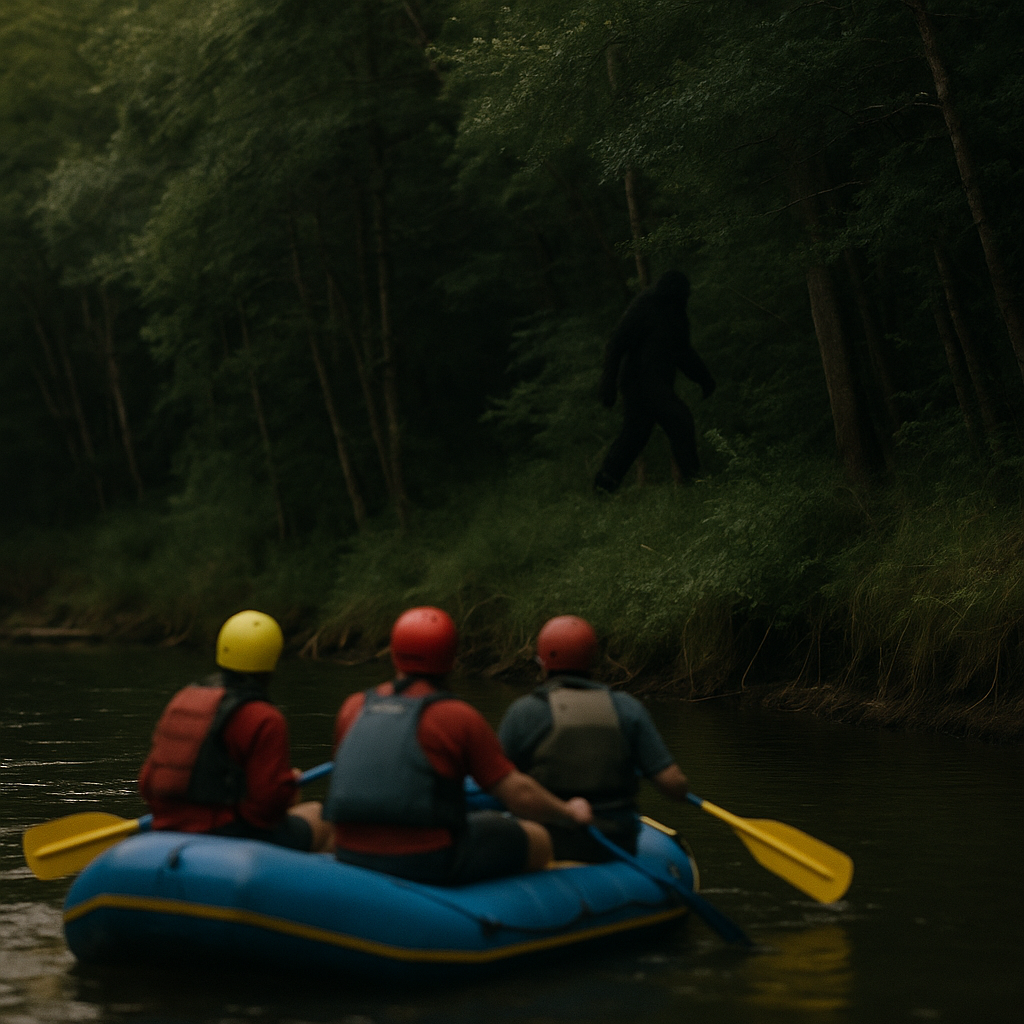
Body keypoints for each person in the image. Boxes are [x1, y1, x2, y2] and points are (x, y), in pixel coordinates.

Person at [324, 606, 594, 884]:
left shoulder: (353, 707)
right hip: (427, 859)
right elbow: (517, 794)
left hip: (348, 851)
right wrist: (568, 812)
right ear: (450, 660)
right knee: (538, 838)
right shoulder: (457, 715)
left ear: (394, 654)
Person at [498, 615, 690, 863]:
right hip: (618, 840)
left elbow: (497, 783)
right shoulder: (627, 708)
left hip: (549, 842)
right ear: (592, 659)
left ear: (543, 662)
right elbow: (673, 785)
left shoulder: (524, 712)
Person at [138, 609, 332, 852]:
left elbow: (146, 783)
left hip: (169, 828)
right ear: (272, 660)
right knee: (321, 816)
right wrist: (288, 790)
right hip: (230, 838)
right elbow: (268, 809)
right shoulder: (264, 717)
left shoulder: (182, 701)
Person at [594, 269, 716, 493]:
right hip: (640, 383)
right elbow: (616, 344)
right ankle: (695, 482)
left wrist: (704, 379)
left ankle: (604, 485)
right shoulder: (646, 306)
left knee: (635, 436)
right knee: (679, 421)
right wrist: (607, 384)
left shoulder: (676, 313)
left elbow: (683, 352)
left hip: (654, 384)